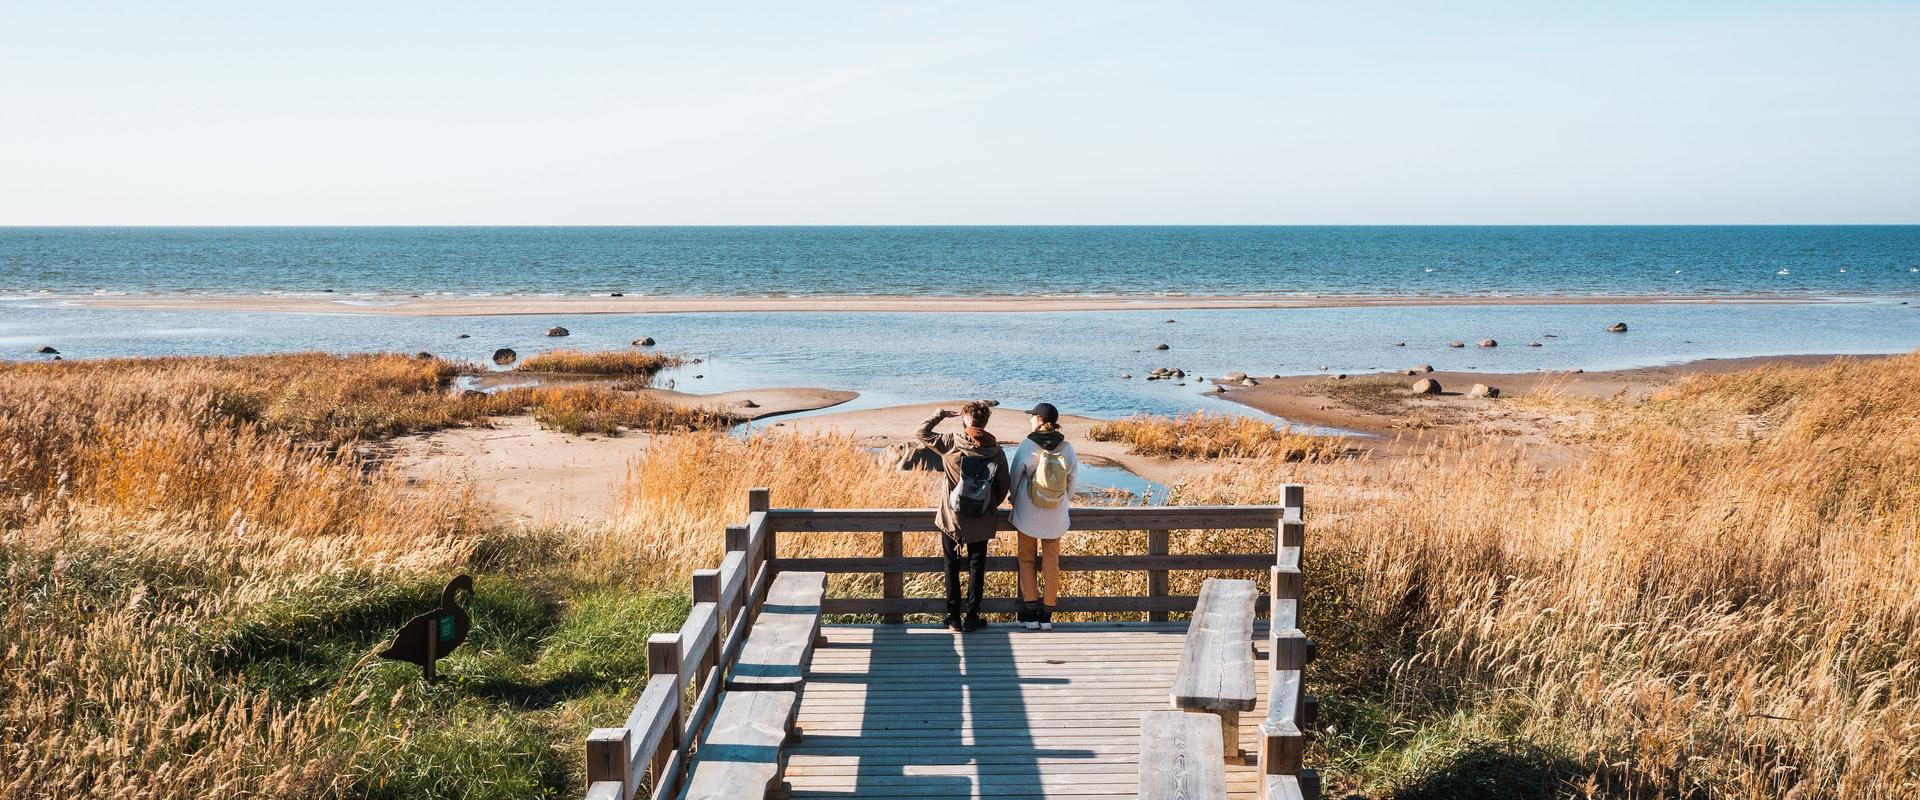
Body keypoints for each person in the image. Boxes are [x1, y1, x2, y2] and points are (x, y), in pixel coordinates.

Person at [917, 400, 1011, 632]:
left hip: (952, 519)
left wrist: (940, 414)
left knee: (951, 566)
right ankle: (971, 617)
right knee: (977, 567)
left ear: (967, 419)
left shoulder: (952, 442)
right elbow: (1003, 486)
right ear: (985, 421)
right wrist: (986, 505)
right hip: (981, 519)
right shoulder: (996, 452)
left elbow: (921, 432)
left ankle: (953, 618)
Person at [1007, 402, 1077, 631]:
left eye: (1032, 416)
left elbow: (1015, 474)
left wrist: (1014, 497)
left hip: (1029, 512)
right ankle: (1047, 614)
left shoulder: (1029, 444)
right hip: (1055, 514)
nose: (1030, 419)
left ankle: (1029, 614)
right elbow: (1072, 483)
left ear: (1039, 420)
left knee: (1026, 560)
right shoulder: (1066, 447)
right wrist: (1063, 499)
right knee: (1051, 561)